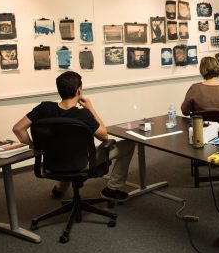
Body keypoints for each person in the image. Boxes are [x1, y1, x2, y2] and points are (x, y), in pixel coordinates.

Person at [12, 71, 135, 202]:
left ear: (59, 90)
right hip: (81, 164)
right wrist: (90, 108)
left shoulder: (44, 108)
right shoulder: (83, 115)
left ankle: (60, 187)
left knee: (64, 149)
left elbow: (18, 129)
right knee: (127, 145)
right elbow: (104, 136)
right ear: (79, 91)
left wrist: (35, 147)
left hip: (52, 163)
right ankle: (112, 189)